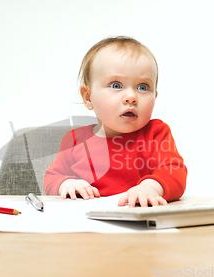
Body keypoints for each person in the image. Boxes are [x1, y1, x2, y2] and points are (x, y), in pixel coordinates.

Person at [43, 36, 187, 207]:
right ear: (88, 97)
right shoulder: (74, 140)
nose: (131, 97)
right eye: (116, 85)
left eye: (143, 87)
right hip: (87, 224)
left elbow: (174, 171)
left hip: (137, 220)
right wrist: (66, 184)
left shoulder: (156, 133)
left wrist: (151, 188)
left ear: (154, 96)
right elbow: (51, 178)